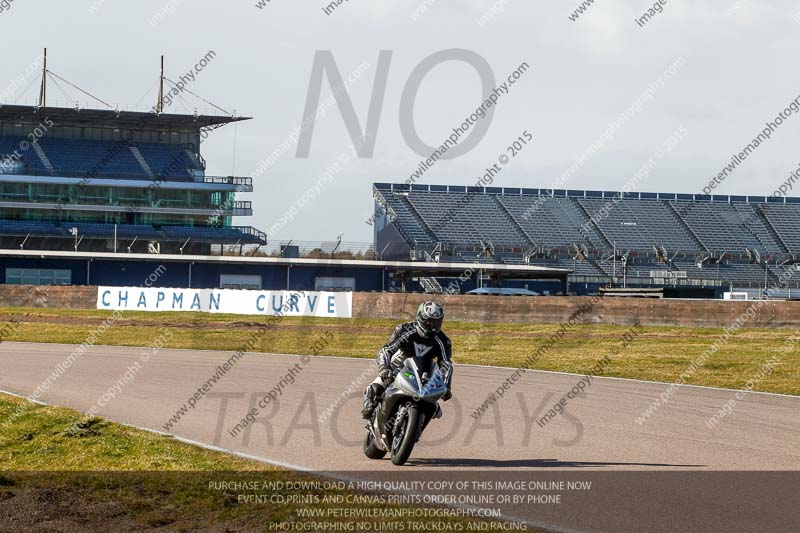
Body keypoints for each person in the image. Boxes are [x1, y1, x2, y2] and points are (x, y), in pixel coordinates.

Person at [361, 301, 453, 419]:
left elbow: (446, 364)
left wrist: (446, 387)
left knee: (437, 410)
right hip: (398, 368)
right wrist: (384, 368)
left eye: (437, 322)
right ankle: (370, 409)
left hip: (424, 375)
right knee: (374, 389)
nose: (433, 326)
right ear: (420, 318)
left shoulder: (443, 341)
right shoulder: (405, 330)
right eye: (429, 322)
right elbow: (386, 350)